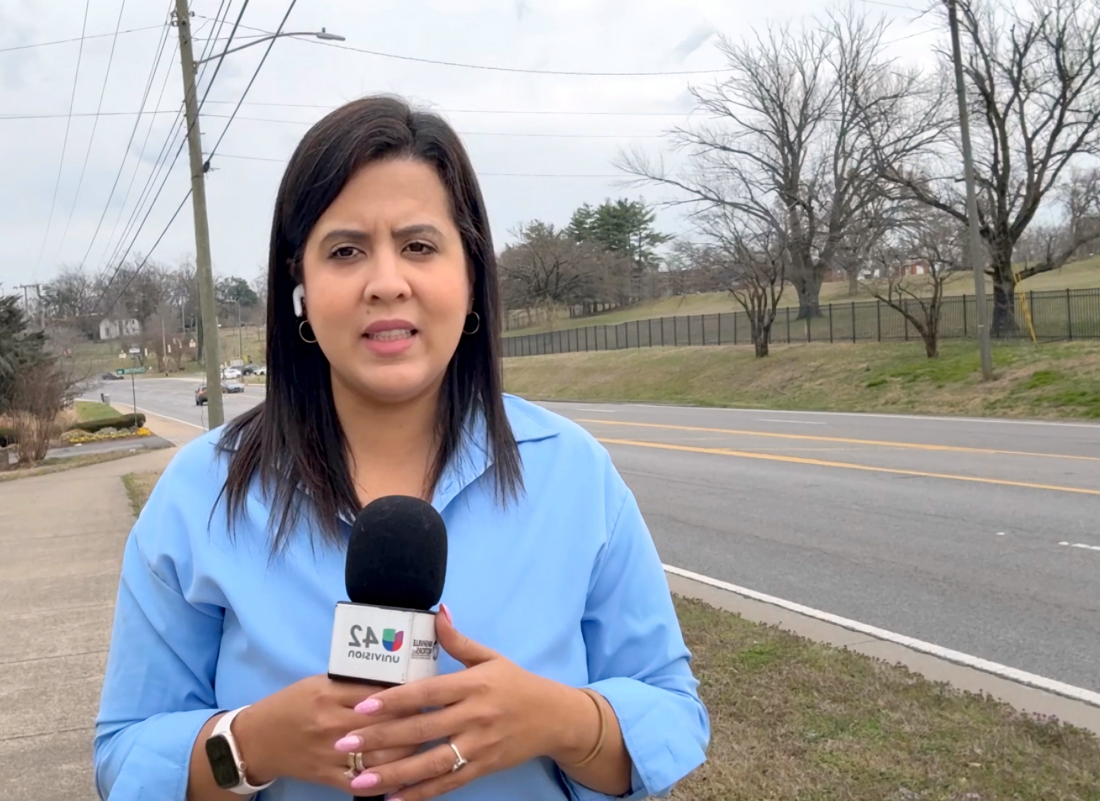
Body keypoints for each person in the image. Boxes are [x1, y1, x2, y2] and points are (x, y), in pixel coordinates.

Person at [94, 96, 709, 801]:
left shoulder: (574, 475)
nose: (387, 282)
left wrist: (558, 720)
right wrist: (252, 743)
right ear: (300, 285)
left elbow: (672, 714)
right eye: (346, 250)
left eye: (419, 245)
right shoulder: (200, 494)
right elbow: (126, 756)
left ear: (471, 274)